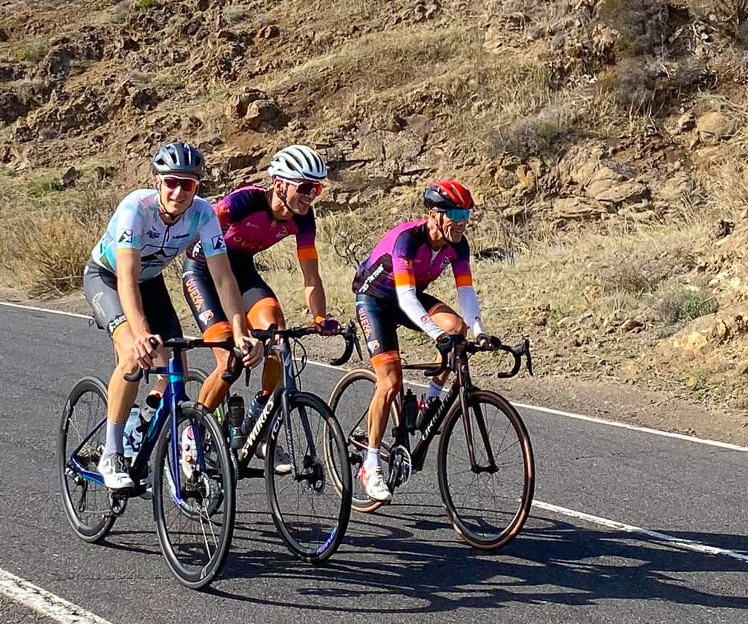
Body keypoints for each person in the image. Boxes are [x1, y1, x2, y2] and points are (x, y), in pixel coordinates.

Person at [82, 142, 254, 491]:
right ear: (158, 182)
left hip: (150, 280)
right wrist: (141, 331)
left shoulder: (204, 214)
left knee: (176, 368)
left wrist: (240, 329)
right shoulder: (136, 208)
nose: (178, 191)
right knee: (133, 353)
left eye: (187, 184)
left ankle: (141, 423)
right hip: (107, 277)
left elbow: (223, 277)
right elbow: (126, 277)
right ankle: (112, 452)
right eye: (171, 182)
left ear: (197, 187)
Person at [181, 145, 340, 429]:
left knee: (277, 336)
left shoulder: (304, 219)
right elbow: (203, 226)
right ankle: (194, 434)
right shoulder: (244, 202)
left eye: (316, 189)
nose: (310, 196)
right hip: (203, 271)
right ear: (279, 184)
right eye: (304, 187)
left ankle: (258, 420)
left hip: (241, 272)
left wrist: (319, 317)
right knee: (230, 361)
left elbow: (311, 275)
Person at [350, 180, 484, 501]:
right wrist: (434, 334)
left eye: (464, 212)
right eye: (453, 212)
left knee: (457, 329)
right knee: (391, 381)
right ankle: (370, 464)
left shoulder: (458, 244)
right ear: (433, 214)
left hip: (409, 297)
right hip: (376, 300)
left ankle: (430, 399)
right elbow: (407, 297)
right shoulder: (408, 240)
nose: (461, 220)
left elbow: (465, 292)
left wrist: (479, 332)